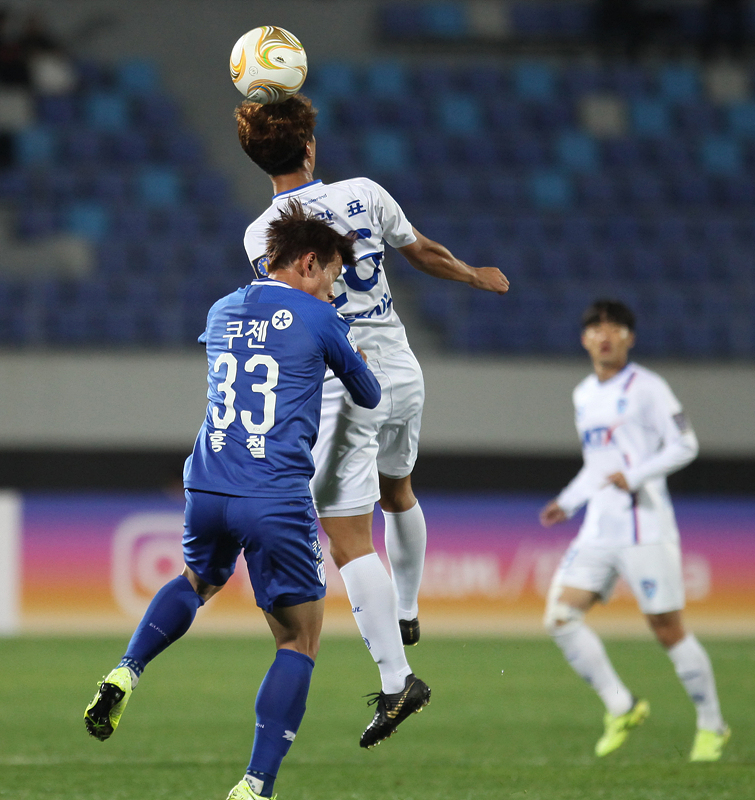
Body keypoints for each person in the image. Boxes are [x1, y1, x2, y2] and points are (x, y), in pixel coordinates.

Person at [235, 95, 510, 748]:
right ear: (309, 146)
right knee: (399, 491)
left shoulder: (260, 234)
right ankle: (407, 609)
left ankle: (397, 680)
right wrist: (473, 275)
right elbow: (422, 251)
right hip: (402, 366)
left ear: (258, 160)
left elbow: (287, 313)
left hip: (345, 379)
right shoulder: (364, 192)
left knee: (347, 537)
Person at [83, 204, 383, 800]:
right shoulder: (322, 318)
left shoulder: (222, 309)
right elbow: (369, 395)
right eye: (331, 276)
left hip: (207, 483)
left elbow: (258, 362)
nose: (334, 291)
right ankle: (255, 785)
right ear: (307, 263)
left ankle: (127, 668)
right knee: (298, 640)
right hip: (273, 493)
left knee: (196, 580)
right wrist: (353, 358)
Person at [539, 299, 730, 762]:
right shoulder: (584, 394)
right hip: (599, 527)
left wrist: (637, 474)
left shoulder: (649, 388)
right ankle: (621, 706)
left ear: (630, 337)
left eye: (615, 327)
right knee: (560, 618)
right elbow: (597, 465)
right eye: (596, 328)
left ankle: (712, 725)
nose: (605, 335)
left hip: (644, 524)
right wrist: (568, 501)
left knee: (667, 629)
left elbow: (686, 444)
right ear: (584, 339)